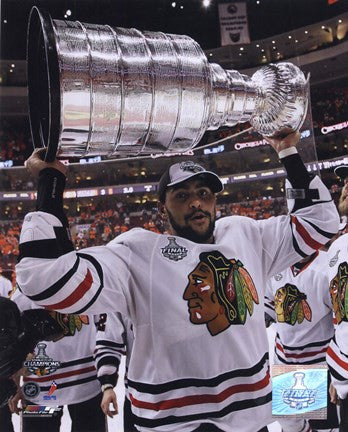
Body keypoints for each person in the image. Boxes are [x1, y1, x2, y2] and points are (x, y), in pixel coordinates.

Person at [13, 132, 340, 432]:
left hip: (252, 417)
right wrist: (50, 182)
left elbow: (319, 221)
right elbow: (45, 277)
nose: (196, 202)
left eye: (203, 193)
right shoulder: (137, 251)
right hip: (170, 422)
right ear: (161, 209)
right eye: (182, 195)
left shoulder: (247, 234)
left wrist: (288, 151)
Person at [7, 289, 107, 432]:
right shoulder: (25, 289)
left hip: (86, 385)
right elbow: (13, 343)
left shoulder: (89, 285)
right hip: (41, 389)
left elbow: (105, 333)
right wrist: (15, 385)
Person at [265, 250, 339, 432]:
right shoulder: (276, 264)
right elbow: (268, 303)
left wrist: (338, 373)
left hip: (319, 366)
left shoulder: (327, 268)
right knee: (292, 428)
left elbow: (341, 322)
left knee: (323, 428)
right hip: (285, 361)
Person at [325, 165, 348, 432]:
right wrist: (338, 372)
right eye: (344, 181)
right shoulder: (337, 245)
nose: (345, 186)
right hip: (335, 370)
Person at [95, 312, 135, 431]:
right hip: (140, 400)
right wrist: (107, 385)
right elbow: (108, 344)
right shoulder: (124, 293)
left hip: (191, 402)